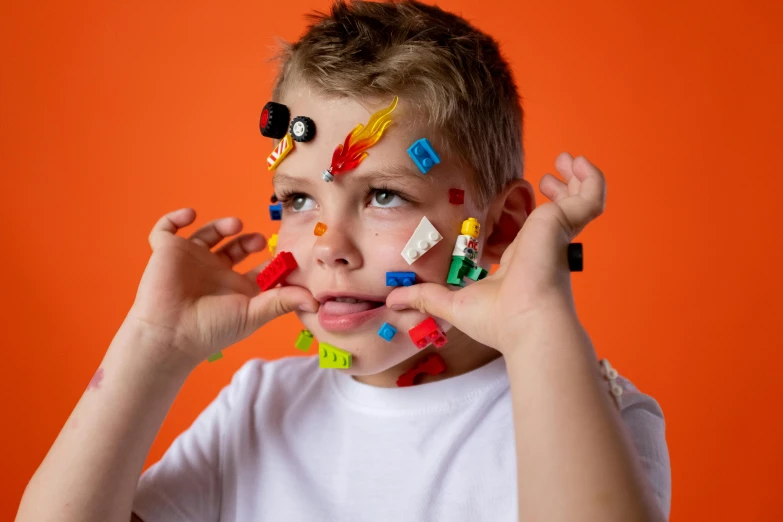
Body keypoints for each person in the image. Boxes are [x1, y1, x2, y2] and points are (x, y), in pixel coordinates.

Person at [15, 1, 671, 521]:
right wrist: (151, 347)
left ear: (500, 226)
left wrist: (536, 329)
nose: (327, 245)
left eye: (384, 195)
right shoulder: (258, 408)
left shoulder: (593, 414)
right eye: (297, 198)